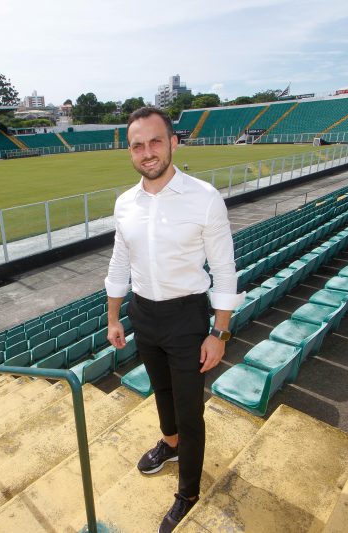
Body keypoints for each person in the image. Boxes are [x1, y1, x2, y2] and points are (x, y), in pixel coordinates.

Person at [105, 107, 242, 532]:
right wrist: (114, 317)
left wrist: (219, 332)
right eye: (137, 145)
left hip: (187, 316)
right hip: (143, 313)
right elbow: (118, 262)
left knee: (189, 410)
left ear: (173, 143)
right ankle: (170, 444)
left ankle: (188, 492)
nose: (147, 152)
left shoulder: (203, 197)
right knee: (160, 390)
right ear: (130, 151)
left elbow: (224, 269)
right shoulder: (125, 203)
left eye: (155, 141)